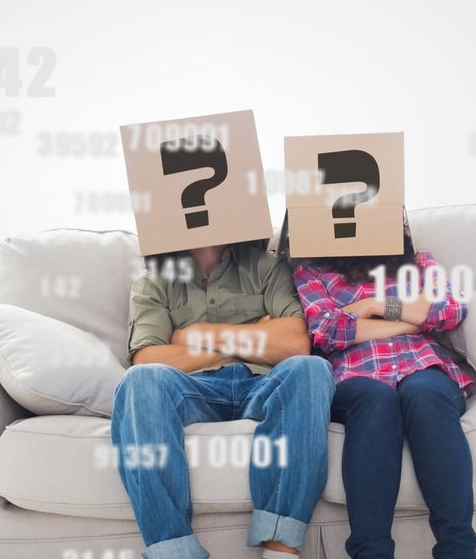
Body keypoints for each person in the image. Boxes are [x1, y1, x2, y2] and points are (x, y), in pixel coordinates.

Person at [111, 238, 335, 559]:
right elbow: (149, 360)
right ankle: (176, 554)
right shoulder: (153, 281)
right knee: (138, 382)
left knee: (312, 369)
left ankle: (280, 550)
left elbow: (296, 345)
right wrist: (252, 336)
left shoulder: (267, 267)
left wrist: (196, 335)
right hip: (194, 389)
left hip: (262, 382)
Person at [286, 217, 476, 559]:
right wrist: (409, 320)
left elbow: (448, 308)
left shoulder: (418, 262)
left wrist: (373, 307)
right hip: (355, 380)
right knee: (377, 397)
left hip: (424, 369)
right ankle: (371, 552)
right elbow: (327, 330)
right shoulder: (311, 271)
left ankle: (458, 550)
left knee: (424, 394)